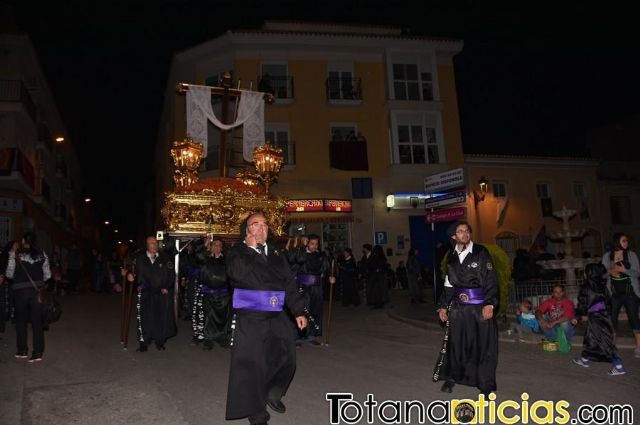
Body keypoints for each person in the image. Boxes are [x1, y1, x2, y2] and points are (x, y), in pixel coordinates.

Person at [225, 212, 307, 425]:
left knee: (287, 358)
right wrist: (251, 250)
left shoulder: (276, 254)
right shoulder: (237, 252)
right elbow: (238, 274)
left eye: (264, 225)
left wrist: (298, 310)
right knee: (255, 366)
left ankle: (272, 392)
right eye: (256, 224)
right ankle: (257, 413)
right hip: (251, 317)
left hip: (277, 314)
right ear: (247, 230)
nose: (261, 228)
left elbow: (289, 283)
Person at [436, 221, 498, 396]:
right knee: (456, 344)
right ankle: (452, 377)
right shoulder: (451, 256)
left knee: (483, 345)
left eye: (467, 231)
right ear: (454, 237)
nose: (465, 234)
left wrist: (490, 303)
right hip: (458, 309)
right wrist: (442, 307)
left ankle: (485, 384)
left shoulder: (480, 252)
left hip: (479, 307)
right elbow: (448, 284)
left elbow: (491, 280)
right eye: (460, 231)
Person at [573, 263, 626, 375]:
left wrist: (577, 316)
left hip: (597, 318)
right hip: (603, 315)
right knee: (590, 338)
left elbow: (582, 305)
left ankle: (618, 365)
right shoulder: (602, 285)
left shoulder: (586, 287)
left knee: (605, 341)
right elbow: (609, 302)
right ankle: (584, 359)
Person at [5, 233, 50, 362]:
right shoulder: (43, 254)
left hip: (20, 293)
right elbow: (47, 275)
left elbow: (9, 273)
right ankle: (37, 353)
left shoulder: (16, 253)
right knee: (37, 323)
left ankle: (22, 350)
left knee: (21, 322)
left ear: (23, 241)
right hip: (37, 292)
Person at [127, 236, 177, 352]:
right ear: (147, 245)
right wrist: (130, 274)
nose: (154, 245)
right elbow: (132, 270)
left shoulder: (165, 258)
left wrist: (167, 287)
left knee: (160, 317)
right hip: (145, 293)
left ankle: (160, 341)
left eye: (155, 243)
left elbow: (171, 274)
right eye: (151, 243)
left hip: (161, 293)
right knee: (144, 318)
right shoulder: (139, 258)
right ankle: (144, 343)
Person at [288, 234, 333, 346]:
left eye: (316, 244)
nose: (314, 246)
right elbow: (293, 266)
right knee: (301, 310)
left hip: (316, 288)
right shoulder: (300, 254)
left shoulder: (321, 256)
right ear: (307, 243)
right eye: (312, 243)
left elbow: (326, 270)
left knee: (315, 310)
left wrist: (330, 277)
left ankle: (311, 335)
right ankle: (298, 336)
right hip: (302, 287)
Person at [601, 232, 640, 358]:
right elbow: (602, 274)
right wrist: (610, 272)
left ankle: (639, 347)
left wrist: (625, 270)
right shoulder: (607, 256)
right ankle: (611, 346)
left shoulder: (631, 254)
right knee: (612, 320)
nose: (626, 243)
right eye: (623, 240)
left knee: (634, 319)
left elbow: (637, 273)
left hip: (630, 293)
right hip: (615, 294)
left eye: (627, 240)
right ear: (617, 242)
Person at [193, 237, 231, 350]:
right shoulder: (205, 258)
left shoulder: (226, 260)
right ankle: (208, 339)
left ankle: (221, 337)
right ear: (211, 246)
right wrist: (205, 245)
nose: (217, 247)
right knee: (208, 316)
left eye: (219, 245)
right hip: (208, 293)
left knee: (222, 317)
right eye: (215, 244)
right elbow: (198, 256)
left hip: (224, 294)